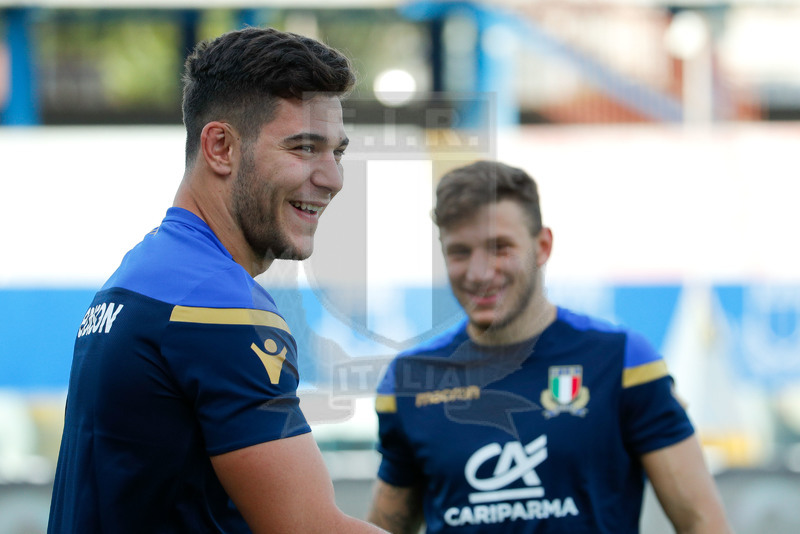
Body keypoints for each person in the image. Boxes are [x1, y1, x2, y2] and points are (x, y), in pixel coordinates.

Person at [48, 26, 386, 534]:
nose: (333, 178)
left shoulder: (141, 272)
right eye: (304, 148)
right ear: (221, 147)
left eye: (336, 152)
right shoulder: (217, 307)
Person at [367, 161, 732, 533]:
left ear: (542, 246)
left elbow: (703, 523)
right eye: (459, 252)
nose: (478, 272)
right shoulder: (409, 380)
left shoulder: (622, 361)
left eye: (500, 247)